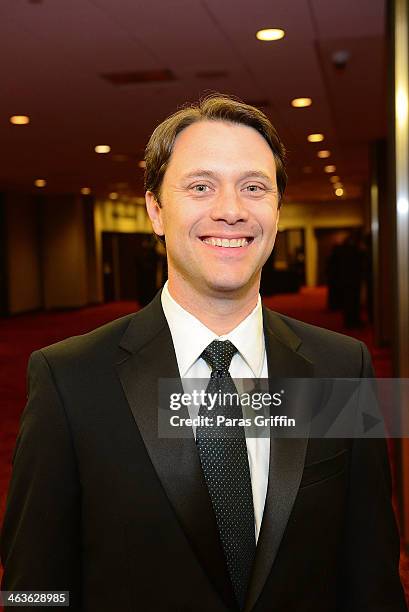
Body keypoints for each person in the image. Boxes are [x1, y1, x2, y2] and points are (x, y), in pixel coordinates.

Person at [1, 95, 407, 612]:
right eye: (200, 186)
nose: (231, 210)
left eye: (254, 187)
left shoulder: (342, 366)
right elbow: (34, 589)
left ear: (277, 211)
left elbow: (371, 570)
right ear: (155, 210)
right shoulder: (71, 378)